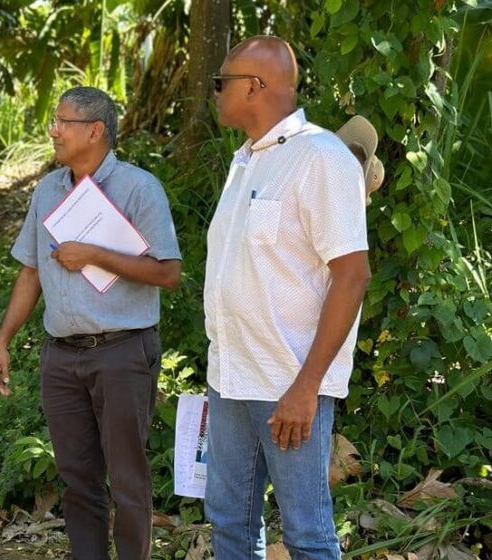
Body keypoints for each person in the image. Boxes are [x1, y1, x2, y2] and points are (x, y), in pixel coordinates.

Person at [0, 86, 181, 560]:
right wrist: (3, 340)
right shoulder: (49, 190)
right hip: (61, 356)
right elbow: (31, 270)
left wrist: (96, 254)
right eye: (54, 122)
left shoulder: (139, 188)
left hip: (121, 352)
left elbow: (168, 273)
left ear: (95, 131)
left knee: (128, 480)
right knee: (77, 479)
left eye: (63, 122)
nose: (53, 131)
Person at [204, 36, 371, 559]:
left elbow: (352, 275)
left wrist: (307, 386)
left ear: (256, 86)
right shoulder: (245, 161)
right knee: (230, 522)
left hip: (288, 384)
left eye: (221, 82)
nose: (215, 93)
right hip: (229, 377)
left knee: (306, 533)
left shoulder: (320, 157)